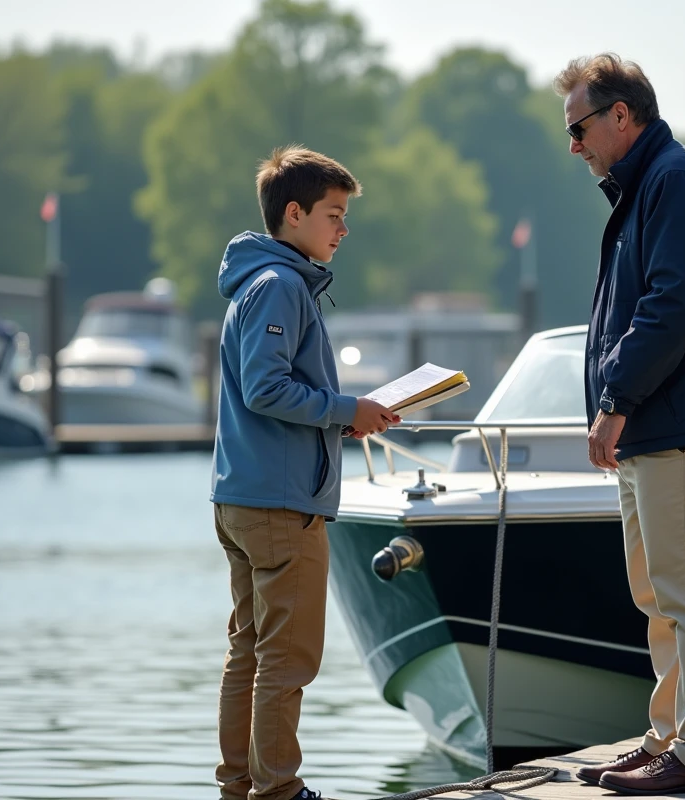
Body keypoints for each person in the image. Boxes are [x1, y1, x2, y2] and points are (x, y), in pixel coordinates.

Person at [553, 54, 685, 795]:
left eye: (579, 127)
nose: (573, 145)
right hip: (661, 424)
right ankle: (671, 739)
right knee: (660, 597)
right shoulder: (651, 185)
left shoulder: (676, 181)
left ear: (621, 116)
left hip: (682, 425)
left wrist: (614, 400)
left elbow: (675, 307)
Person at [209, 145, 399, 800]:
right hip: (278, 505)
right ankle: (279, 791)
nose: (343, 229)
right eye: (333, 214)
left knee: (252, 653)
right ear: (294, 215)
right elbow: (266, 388)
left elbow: (271, 391)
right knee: (286, 659)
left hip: (245, 494)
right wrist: (349, 410)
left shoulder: (263, 283)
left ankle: (243, 788)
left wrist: (347, 416)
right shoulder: (282, 286)